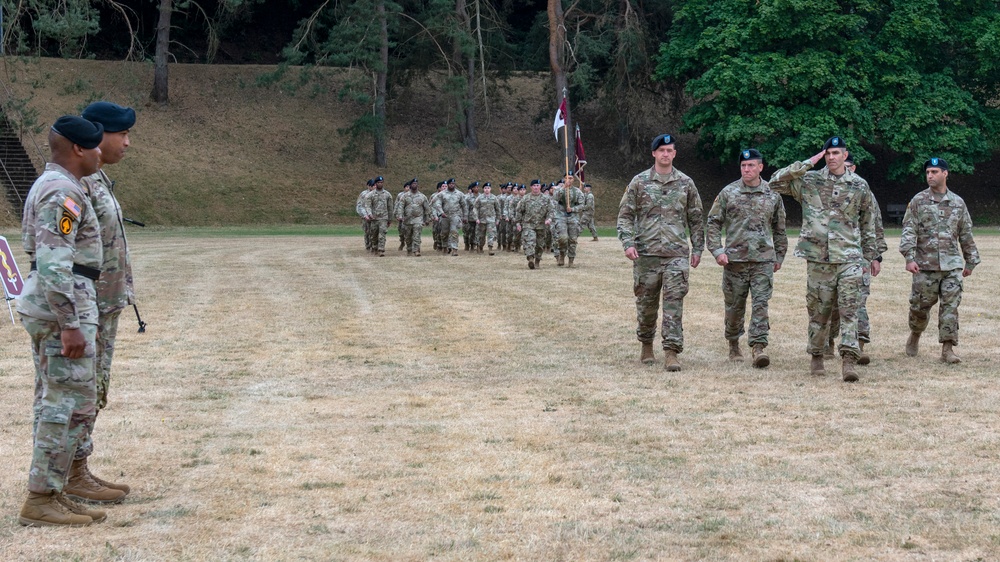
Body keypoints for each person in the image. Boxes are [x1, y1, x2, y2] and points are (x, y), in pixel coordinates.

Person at [17, 115, 108, 526]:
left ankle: (54, 490)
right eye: (95, 147)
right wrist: (69, 322)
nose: (101, 153)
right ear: (77, 149)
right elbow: (55, 264)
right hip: (63, 308)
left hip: (64, 302)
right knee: (64, 405)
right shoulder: (62, 192)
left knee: (65, 401)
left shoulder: (60, 185)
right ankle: (39, 500)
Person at [56, 101, 138, 505]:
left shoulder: (97, 179)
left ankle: (78, 468)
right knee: (80, 390)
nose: (128, 142)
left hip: (104, 304)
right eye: (122, 134)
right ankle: (68, 474)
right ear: (98, 134)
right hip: (87, 307)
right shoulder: (79, 182)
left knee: (94, 389)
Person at [769, 136, 878, 382]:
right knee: (819, 310)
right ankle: (817, 355)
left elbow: (868, 223)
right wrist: (807, 163)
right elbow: (774, 183)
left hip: (849, 257)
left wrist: (868, 258)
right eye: (827, 153)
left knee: (849, 309)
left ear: (845, 155)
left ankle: (849, 360)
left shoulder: (859, 186)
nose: (831, 158)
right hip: (818, 259)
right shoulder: (810, 180)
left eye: (836, 153)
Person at [617, 134, 704, 371]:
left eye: (669, 150)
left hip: (676, 254)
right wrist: (628, 243)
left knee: (674, 304)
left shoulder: (686, 183)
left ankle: (671, 352)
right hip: (646, 254)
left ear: (674, 154)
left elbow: (696, 219)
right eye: (661, 150)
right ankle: (646, 344)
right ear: (654, 153)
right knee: (646, 305)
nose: (665, 154)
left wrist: (698, 248)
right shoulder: (639, 182)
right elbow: (625, 216)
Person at [706, 148, 787, 368]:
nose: (747, 169)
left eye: (751, 165)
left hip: (763, 261)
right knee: (734, 308)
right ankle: (733, 343)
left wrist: (779, 255)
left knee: (761, 304)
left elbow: (779, 228)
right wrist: (717, 250)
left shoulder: (773, 194)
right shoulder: (728, 193)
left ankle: (758, 348)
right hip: (734, 262)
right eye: (743, 165)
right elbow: (713, 222)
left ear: (761, 167)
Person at [899, 157, 980, 363]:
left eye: (934, 172)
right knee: (919, 307)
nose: (930, 176)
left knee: (950, 307)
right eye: (927, 172)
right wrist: (909, 257)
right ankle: (915, 334)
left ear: (945, 173)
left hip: (952, 265)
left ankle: (947, 349)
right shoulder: (918, 201)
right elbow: (909, 231)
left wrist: (970, 261)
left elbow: (965, 234)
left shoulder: (958, 203)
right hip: (924, 266)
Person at [823, 154, 888, 365]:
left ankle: (857, 346)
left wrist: (875, 257)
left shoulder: (863, 190)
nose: (846, 170)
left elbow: (875, 225)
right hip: (832, 257)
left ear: (853, 166)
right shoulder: (827, 189)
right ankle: (828, 343)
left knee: (857, 302)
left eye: (849, 166)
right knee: (831, 305)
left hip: (858, 258)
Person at [515, 179, 553, 269]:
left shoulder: (546, 198)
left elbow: (551, 210)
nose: (536, 187)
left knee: (540, 245)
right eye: (534, 186)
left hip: (541, 225)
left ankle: (537, 261)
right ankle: (530, 258)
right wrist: (518, 223)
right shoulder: (526, 198)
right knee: (529, 242)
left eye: (537, 185)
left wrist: (549, 219)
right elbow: (519, 211)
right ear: (531, 187)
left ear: (540, 187)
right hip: (529, 224)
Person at [550, 174, 586, 267]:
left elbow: (582, 205)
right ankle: (562, 254)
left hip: (573, 217)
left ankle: (571, 260)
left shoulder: (578, 192)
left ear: (573, 179)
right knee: (562, 238)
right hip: (561, 216)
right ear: (563, 179)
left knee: (573, 239)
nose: (568, 180)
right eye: (566, 178)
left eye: (570, 178)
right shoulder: (558, 190)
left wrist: (573, 209)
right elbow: (555, 199)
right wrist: (563, 188)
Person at [433, 178, 468, 255]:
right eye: (450, 183)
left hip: (455, 215)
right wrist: (441, 212)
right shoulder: (442, 194)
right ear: (448, 184)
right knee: (444, 233)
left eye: (453, 183)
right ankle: (445, 247)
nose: (452, 185)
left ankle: (454, 249)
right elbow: (438, 204)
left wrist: (465, 217)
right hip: (445, 216)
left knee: (454, 232)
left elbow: (464, 206)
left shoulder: (459, 194)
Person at [363, 176, 393, 257]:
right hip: (374, 218)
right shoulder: (370, 195)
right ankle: (375, 247)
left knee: (382, 234)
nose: (380, 184)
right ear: (376, 183)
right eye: (379, 182)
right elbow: (367, 206)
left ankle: (381, 249)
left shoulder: (387, 194)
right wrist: (369, 214)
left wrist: (390, 219)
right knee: (374, 235)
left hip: (383, 218)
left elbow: (390, 207)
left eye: (382, 182)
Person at [473, 183, 501, 255]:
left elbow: (498, 209)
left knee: (491, 234)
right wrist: (476, 218)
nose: (487, 189)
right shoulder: (479, 198)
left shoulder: (494, 198)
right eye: (485, 188)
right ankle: (480, 246)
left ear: (490, 189)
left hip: (491, 219)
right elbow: (475, 208)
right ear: (483, 189)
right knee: (481, 235)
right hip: (481, 220)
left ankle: (490, 248)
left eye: (488, 188)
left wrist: (497, 219)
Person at [356, 179, 375, 252]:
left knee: (375, 232)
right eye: (372, 185)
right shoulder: (364, 194)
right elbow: (359, 206)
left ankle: (374, 246)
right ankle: (368, 246)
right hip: (366, 216)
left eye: (374, 185)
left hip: (375, 216)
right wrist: (364, 215)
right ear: (368, 186)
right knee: (368, 232)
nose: (374, 187)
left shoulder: (377, 194)